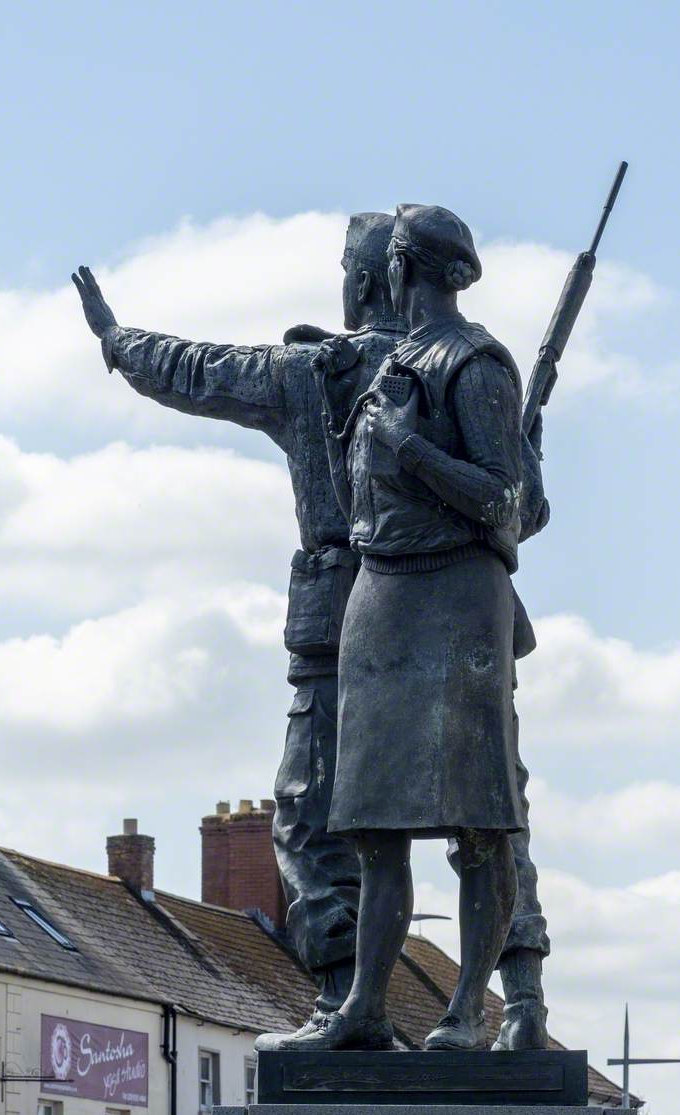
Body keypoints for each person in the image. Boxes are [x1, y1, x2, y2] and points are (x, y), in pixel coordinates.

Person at [72, 215, 406, 1040]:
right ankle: (515, 996)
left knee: (309, 813)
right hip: (443, 612)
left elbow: (195, 370)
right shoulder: (455, 366)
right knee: (485, 817)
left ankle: (340, 998)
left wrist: (117, 340)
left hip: (336, 624)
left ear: (361, 284)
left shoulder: (309, 374)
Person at [288, 204, 547, 1051]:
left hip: (456, 595)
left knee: (479, 820)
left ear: (400, 269)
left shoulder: (475, 364)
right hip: (381, 596)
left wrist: (412, 452)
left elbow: (508, 501)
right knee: (371, 824)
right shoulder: (385, 364)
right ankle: (364, 1009)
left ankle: (469, 1012)